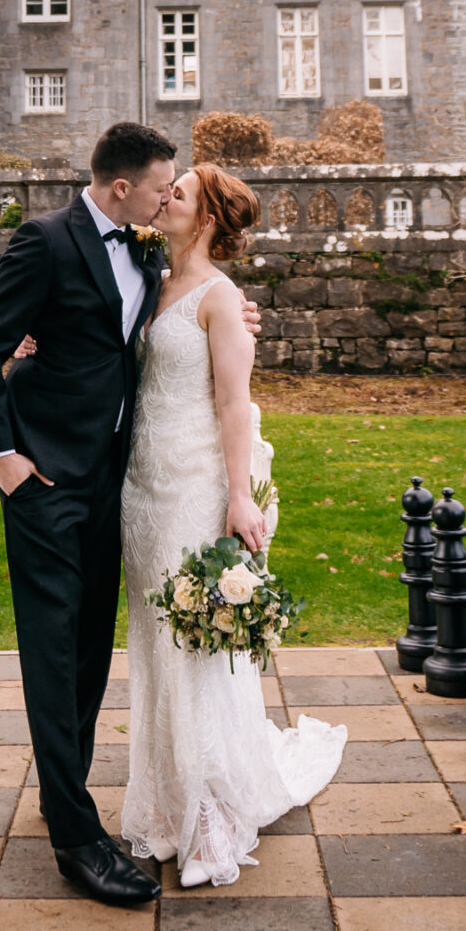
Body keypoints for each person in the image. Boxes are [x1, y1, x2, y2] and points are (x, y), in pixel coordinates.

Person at [0, 122, 256, 908]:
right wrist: (6, 463)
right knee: (54, 659)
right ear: (122, 187)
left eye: (175, 192)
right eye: (163, 185)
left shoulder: (149, 254)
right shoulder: (45, 240)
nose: (169, 197)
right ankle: (75, 839)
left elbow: (155, 333)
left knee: (90, 652)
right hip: (43, 483)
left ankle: (67, 789)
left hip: (117, 486)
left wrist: (231, 318)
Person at [122, 163, 346, 887]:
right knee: (157, 645)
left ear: (209, 217)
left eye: (177, 194)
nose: (164, 199)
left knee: (195, 644)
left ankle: (212, 821)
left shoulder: (222, 299)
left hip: (195, 484)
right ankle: (164, 805)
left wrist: (241, 497)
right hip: (140, 489)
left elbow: (234, 405)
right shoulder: (146, 283)